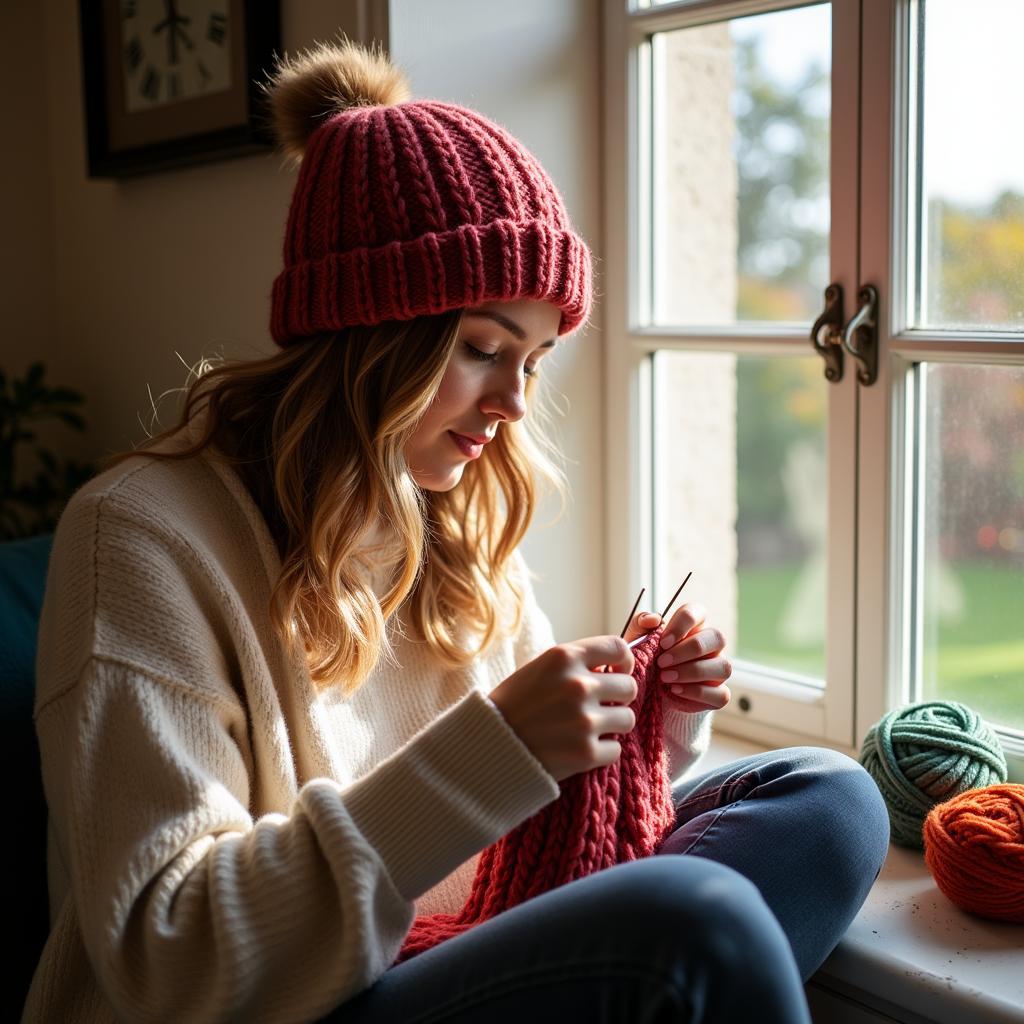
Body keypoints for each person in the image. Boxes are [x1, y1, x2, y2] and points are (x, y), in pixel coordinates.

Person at [22, 36, 890, 1024]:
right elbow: (167, 956)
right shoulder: (138, 536)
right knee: (692, 920)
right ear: (369, 329)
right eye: (482, 347)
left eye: (534, 358)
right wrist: (496, 748)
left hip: (455, 945)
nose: (514, 401)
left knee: (824, 800)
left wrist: (650, 725)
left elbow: (539, 817)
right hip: (279, 1004)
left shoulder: (446, 511)